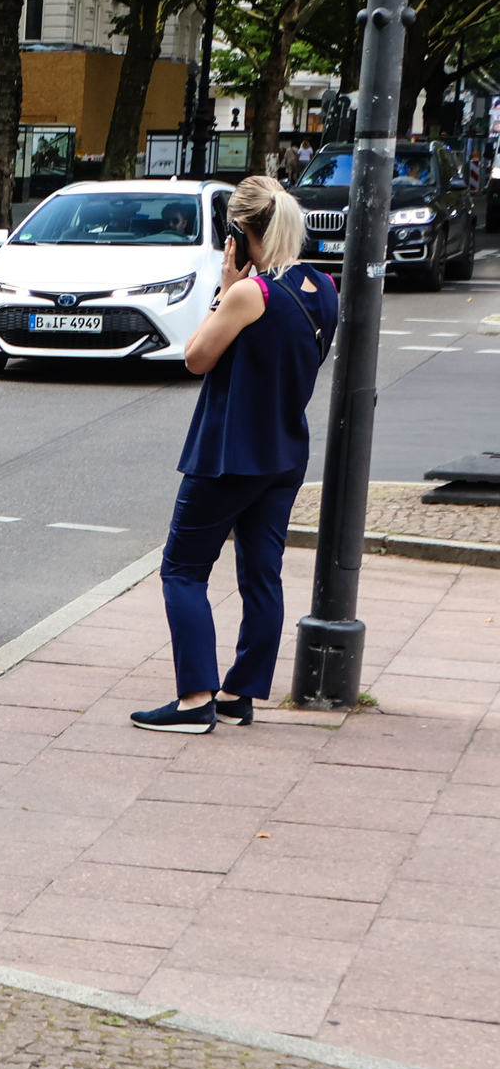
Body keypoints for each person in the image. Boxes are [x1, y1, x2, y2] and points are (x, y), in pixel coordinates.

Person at [132, 175, 337, 734]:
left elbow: (196, 358)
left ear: (242, 233)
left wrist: (224, 287)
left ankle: (196, 698)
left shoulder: (251, 293)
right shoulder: (323, 288)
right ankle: (241, 693)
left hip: (230, 454)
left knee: (182, 571)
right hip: (284, 453)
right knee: (261, 576)